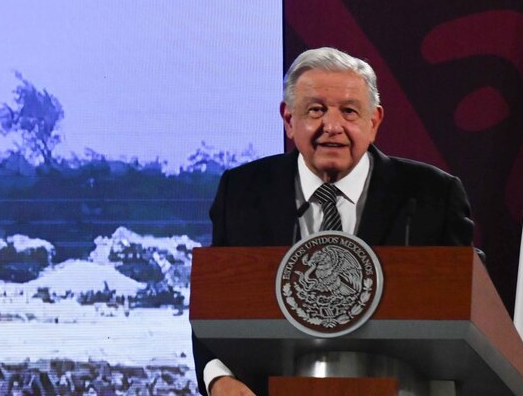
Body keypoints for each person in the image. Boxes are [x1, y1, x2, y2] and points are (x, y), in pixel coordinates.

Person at [194, 47, 474, 396]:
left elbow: (467, 310)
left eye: (349, 112)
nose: (332, 126)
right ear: (288, 119)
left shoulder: (432, 195)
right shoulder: (242, 191)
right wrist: (220, 380)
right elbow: (215, 302)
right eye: (316, 110)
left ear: (374, 122)